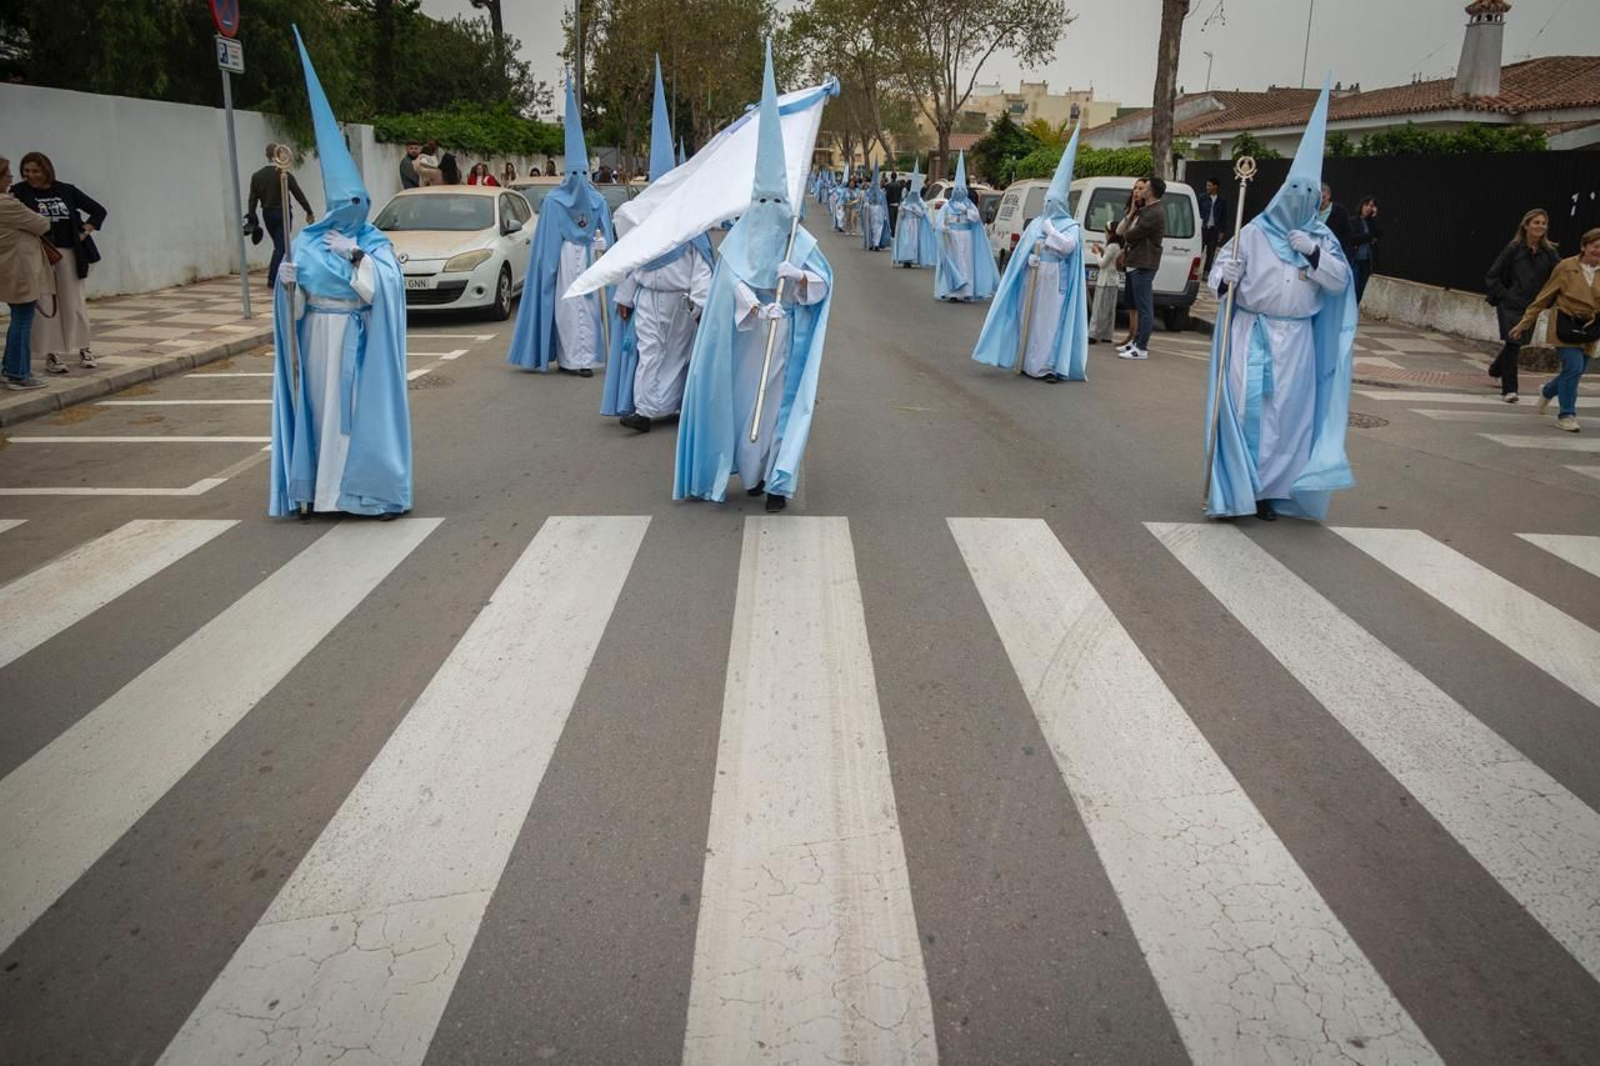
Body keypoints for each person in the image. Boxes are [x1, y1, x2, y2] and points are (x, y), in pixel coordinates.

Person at [675, 41, 832, 515]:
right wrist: (752, 302)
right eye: (759, 202)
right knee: (744, 402)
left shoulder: (797, 239)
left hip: (784, 333)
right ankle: (745, 470)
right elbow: (726, 284)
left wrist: (799, 278)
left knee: (778, 401)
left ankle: (774, 479)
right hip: (746, 337)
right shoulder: (739, 238)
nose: (766, 212)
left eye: (774, 203)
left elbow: (825, 284)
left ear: (784, 203)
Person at [270, 29, 411, 519]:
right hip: (317, 339)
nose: (351, 210)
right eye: (343, 203)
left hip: (358, 340)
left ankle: (363, 491)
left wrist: (357, 259)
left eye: (359, 202)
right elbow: (295, 309)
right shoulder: (306, 241)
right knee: (321, 411)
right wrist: (287, 286)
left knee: (353, 417)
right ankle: (318, 492)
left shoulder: (372, 241)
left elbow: (383, 291)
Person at [1204, 79, 1356, 522]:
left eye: (1311, 195)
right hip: (1252, 331)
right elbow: (1221, 269)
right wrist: (1224, 276)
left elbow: (1340, 282)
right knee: (1246, 407)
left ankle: (1271, 492)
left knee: (1289, 418)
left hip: (1297, 341)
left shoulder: (1320, 238)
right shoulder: (1250, 232)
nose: (1302, 201)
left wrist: (1311, 253)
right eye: (1295, 193)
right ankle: (1239, 486)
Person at [603, 56, 714, 433]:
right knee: (648, 352)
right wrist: (625, 296)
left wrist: (701, 303)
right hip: (650, 299)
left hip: (680, 301)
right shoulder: (644, 222)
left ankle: (676, 405)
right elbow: (635, 260)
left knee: (678, 355)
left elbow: (701, 267)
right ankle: (645, 410)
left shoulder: (690, 226)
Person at [506, 77, 617, 377]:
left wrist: (602, 247)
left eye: (584, 172)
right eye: (575, 172)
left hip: (590, 260)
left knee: (591, 309)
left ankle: (590, 358)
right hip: (565, 264)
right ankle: (571, 359)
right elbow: (545, 252)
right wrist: (549, 272)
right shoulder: (554, 203)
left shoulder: (598, 201)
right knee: (567, 310)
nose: (580, 178)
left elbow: (609, 238)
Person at [970, 124, 1088, 383]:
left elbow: (1068, 248)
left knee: (1048, 324)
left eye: (1053, 203)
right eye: (1047, 202)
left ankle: (1046, 366)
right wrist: (1028, 261)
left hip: (1056, 282)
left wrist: (1051, 233)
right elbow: (1023, 249)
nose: (1049, 206)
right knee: (1030, 319)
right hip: (1032, 278)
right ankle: (1025, 359)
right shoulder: (1035, 223)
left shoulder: (1070, 227)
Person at [11, 151, 106, 375]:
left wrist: (85, 231)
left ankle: (84, 347)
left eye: (35, 171)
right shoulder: (19, 192)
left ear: (46, 170)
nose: (31, 176)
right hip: (38, 254)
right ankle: (52, 354)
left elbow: (98, 210)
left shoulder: (65, 190)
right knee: (46, 304)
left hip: (69, 253)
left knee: (74, 302)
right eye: (26, 172)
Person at [1509, 227, 1600, 433]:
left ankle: (1548, 391)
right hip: (1565, 324)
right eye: (1595, 247)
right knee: (1574, 368)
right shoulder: (1566, 267)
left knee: (1575, 372)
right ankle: (1566, 414)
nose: (1598, 251)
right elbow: (1544, 296)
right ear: (1584, 247)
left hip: (1590, 328)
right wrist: (1524, 323)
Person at [1485, 209, 1558, 404]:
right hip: (1510, 303)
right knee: (1513, 341)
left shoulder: (1550, 253)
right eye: (1536, 222)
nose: (1540, 226)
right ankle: (1510, 390)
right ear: (1526, 225)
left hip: (1532, 306)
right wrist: (1506, 296)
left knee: (1516, 343)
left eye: (1544, 223)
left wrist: (1547, 301)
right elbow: (1493, 275)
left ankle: (1495, 369)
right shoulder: (1514, 248)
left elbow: (1559, 277)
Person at [0, 155, 54, 390]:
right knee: (22, 320)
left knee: (18, 318)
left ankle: (10, 368)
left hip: (8, 268)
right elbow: (42, 224)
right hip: (19, 269)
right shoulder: (7, 204)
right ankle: (17, 373)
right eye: (7, 173)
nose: (12, 177)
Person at [247, 143, 316, 289]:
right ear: (278, 155)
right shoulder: (284, 175)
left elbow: (252, 199)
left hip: (267, 213)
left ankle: (278, 276)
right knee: (281, 246)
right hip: (282, 212)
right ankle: (273, 279)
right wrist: (308, 210)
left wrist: (252, 216)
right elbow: (298, 193)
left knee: (279, 245)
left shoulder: (257, 176)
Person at [933, 152, 999, 302]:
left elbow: (976, 219)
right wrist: (944, 228)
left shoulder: (968, 205)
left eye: (961, 190)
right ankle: (952, 291)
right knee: (955, 262)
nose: (959, 193)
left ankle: (966, 290)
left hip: (966, 237)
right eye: (957, 190)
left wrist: (965, 210)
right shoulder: (947, 207)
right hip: (952, 237)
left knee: (966, 262)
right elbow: (939, 222)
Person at [1111, 175, 1164, 358]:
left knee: (1144, 308)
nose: (1140, 191)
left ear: (1151, 191)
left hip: (1144, 263)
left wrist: (1127, 234)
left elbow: (1130, 235)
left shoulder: (1155, 212)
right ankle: (1135, 341)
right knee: (1137, 303)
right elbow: (1124, 232)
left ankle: (1141, 347)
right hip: (1136, 262)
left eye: (1144, 188)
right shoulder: (1145, 210)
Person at [892, 161, 938, 269]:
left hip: (916, 224)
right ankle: (905, 260)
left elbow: (924, 213)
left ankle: (914, 259)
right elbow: (901, 214)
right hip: (906, 224)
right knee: (906, 242)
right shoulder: (905, 202)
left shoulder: (920, 202)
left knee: (914, 243)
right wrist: (903, 210)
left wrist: (916, 210)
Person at [1089, 227, 1124, 344]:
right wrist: (1102, 251)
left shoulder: (1111, 246)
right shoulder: (1117, 246)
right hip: (1113, 282)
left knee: (1099, 309)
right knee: (1109, 311)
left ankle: (1093, 334)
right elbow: (1110, 259)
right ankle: (1107, 335)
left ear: (1110, 233)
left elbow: (1102, 264)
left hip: (1105, 281)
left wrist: (1097, 253)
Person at [1347, 195, 1381, 304]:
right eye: (1366, 205)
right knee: (1353, 287)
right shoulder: (1353, 221)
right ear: (1361, 205)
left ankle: (1353, 311)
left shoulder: (1371, 222)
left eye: (1371, 206)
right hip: (1354, 260)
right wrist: (1369, 237)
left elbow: (1379, 233)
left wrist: (1374, 216)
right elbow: (1352, 239)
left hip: (1366, 262)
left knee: (1361, 289)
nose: (1369, 208)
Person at [1199, 177, 1228, 275]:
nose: (1207, 187)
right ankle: (1195, 269)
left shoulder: (1222, 200)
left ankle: (1206, 272)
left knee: (1211, 252)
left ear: (1215, 186)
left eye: (1209, 185)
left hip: (1214, 229)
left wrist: (1222, 231)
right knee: (1199, 250)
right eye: (1207, 185)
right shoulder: (1202, 198)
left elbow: (1224, 216)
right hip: (1202, 228)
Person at [1319, 182, 1354, 258]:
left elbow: (1347, 234)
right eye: (1318, 197)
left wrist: (1339, 252)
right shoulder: (1311, 211)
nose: (1321, 201)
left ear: (1329, 195)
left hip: (1333, 254)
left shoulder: (1340, 211)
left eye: (1323, 197)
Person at [861, 163, 891, 251]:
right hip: (870, 211)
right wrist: (866, 205)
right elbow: (865, 200)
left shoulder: (882, 193)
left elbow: (884, 204)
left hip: (879, 212)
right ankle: (871, 243)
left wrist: (885, 214)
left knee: (879, 227)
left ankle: (877, 244)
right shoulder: (868, 192)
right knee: (871, 228)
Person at [885, 169, 904, 236]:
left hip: (891, 204)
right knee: (896, 220)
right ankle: (895, 231)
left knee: (891, 220)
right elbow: (900, 195)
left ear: (891, 177)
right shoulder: (899, 185)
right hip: (897, 204)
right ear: (896, 177)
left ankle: (893, 232)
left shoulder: (888, 185)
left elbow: (887, 195)